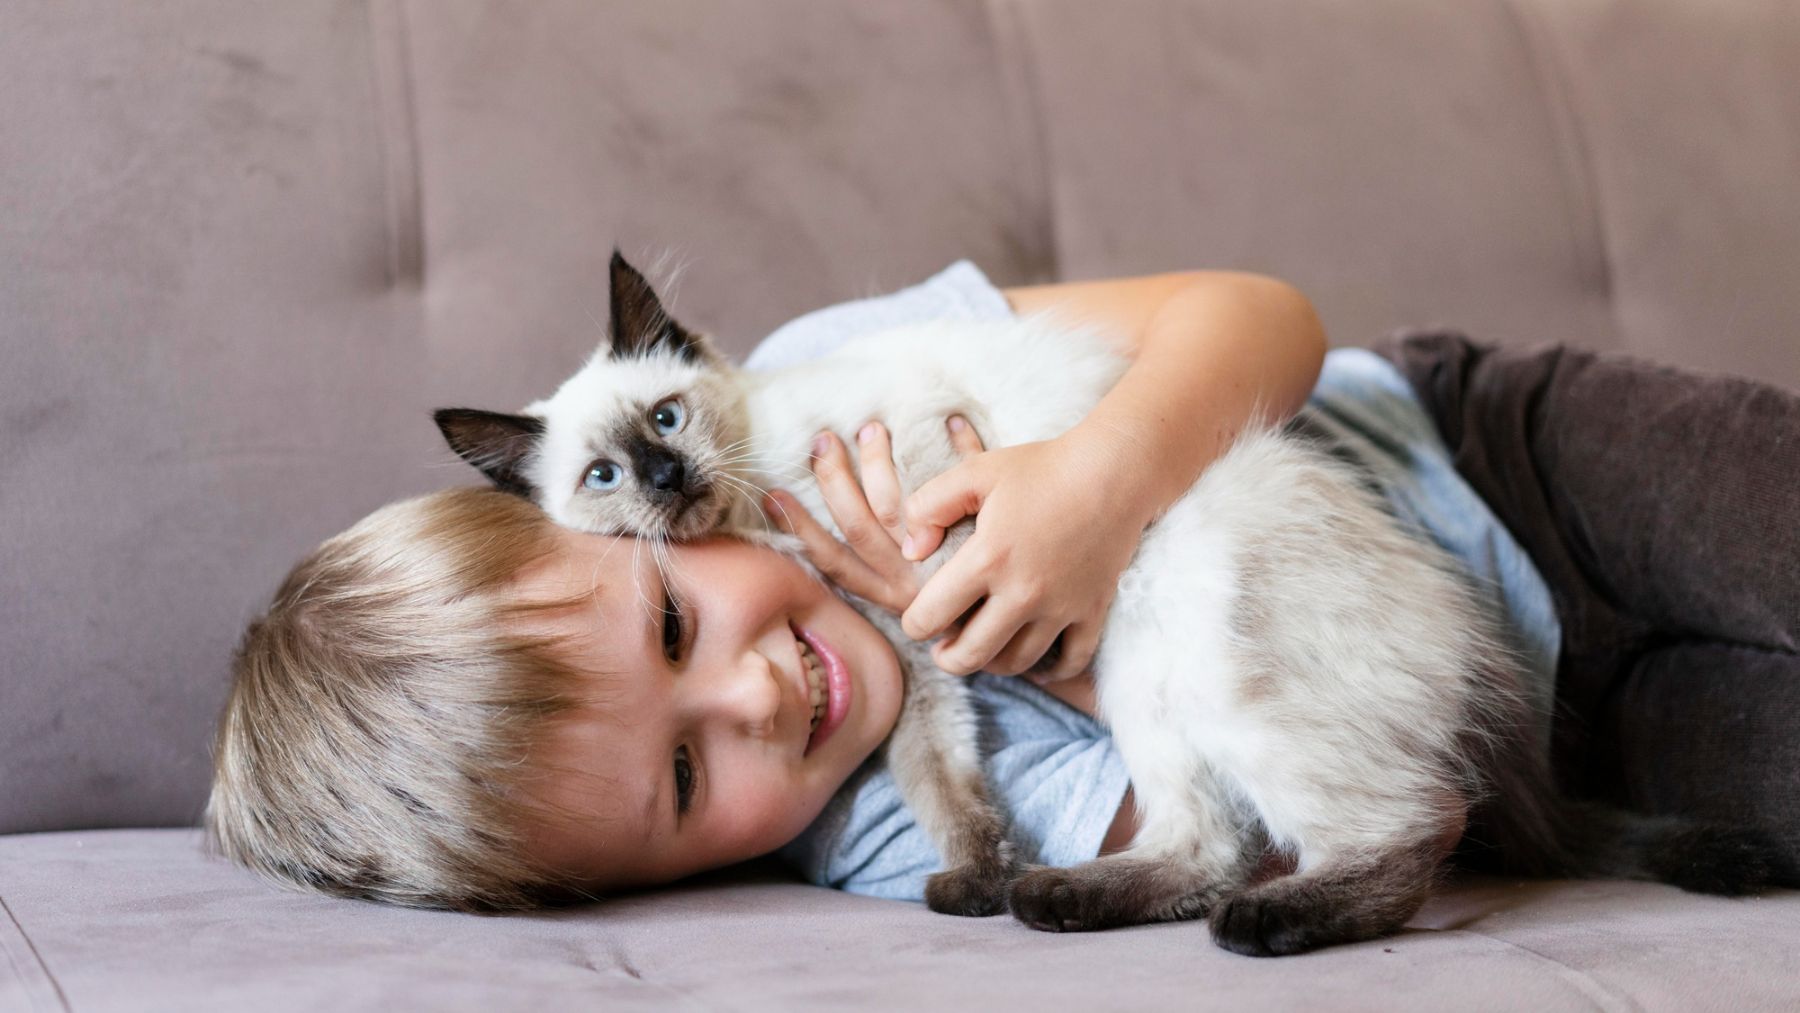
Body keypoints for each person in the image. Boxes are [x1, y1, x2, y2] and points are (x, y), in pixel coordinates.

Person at [206, 262, 1798, 911]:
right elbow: (1228, 812)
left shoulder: (821, 373)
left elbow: (1255, 313)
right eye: (687, 776)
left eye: (678, 621)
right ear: (660, 878)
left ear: (623, 525)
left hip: (1484, 451)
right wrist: (1047, 638)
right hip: (1533, 729)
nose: (759, 695)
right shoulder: (898, 825)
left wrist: (1101, 490)